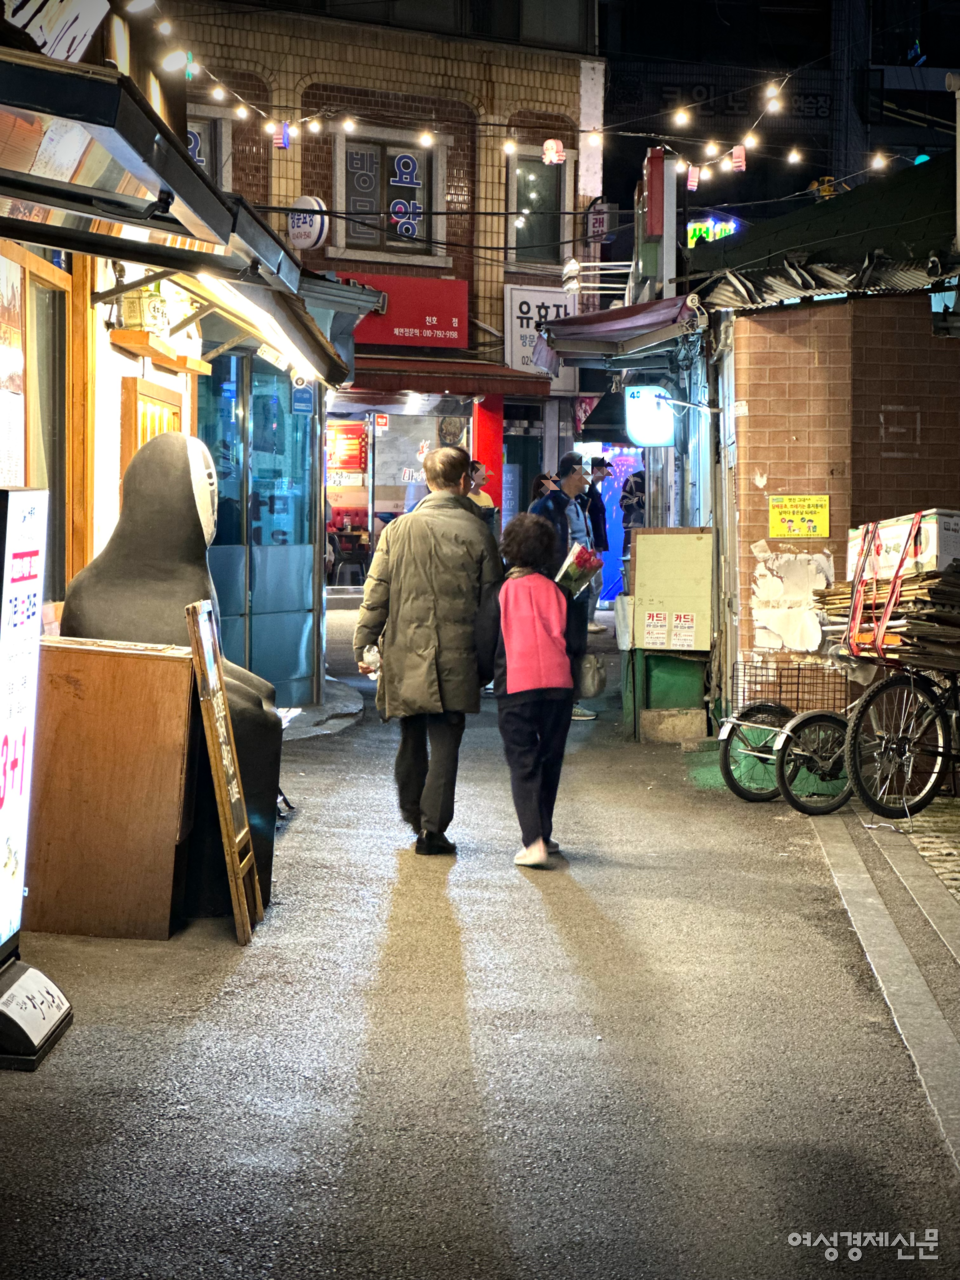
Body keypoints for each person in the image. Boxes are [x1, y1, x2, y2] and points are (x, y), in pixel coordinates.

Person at [353, 445, 503, 855]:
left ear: (427, 481)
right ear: (462, 483)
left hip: (405, 651)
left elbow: (376, 592)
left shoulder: (398, 531)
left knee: (411, 731)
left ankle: (412, 812)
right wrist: (488, 664)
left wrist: (364, 642)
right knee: (447, 739)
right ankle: (432, 830)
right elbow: (492, 606)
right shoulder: (479, 533)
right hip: (458, 655)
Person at [476, 513, 586, 868]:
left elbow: (485, 643)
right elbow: (575, 643)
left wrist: (480, 679)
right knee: (550, 760)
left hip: (516, 687)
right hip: (559, 686)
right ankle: (545, 832)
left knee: (524, 763)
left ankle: (533, 841)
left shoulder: (499, 592)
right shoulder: (560, 592)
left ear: (508, 550)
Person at [530, 452, 597, 722]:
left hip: (577, 583)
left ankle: (571, 698)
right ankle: (563, 701)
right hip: (557, 585)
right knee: (561, 644)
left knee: (576, 642)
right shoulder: (547, 506)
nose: (587, 479)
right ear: (572, 473)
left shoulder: (578, 504)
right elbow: (537, 544)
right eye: (583, 473)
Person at [584, 457, 612, 634]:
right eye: (604, 470)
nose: (607, 474)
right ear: (594, 470)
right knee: (594, 583)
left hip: (595, 544)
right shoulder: (587, 492)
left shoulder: (592, 490)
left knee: (595, 583)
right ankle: (587, 620)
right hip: (590, 545)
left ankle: (589, 618)